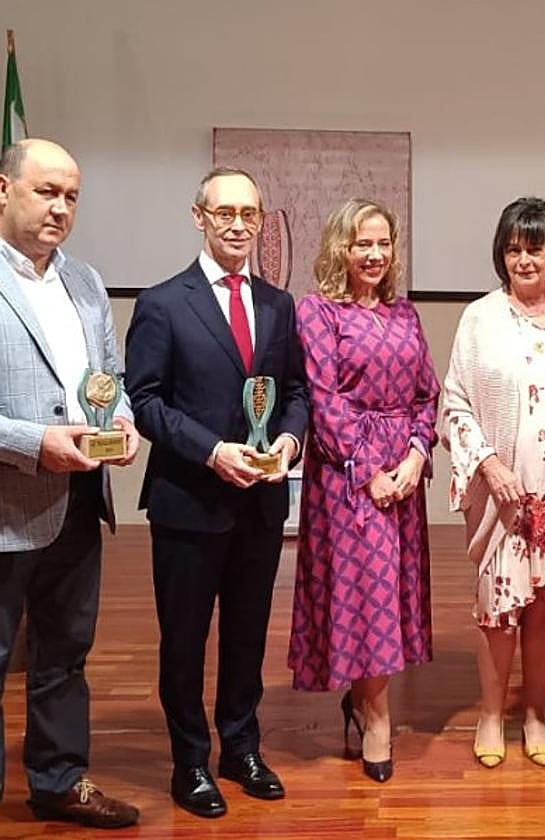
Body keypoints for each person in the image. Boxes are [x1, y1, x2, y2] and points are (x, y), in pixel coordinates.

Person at [125, 167, 308, 818]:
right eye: (224, 211)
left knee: (247, 636)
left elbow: (293, 394)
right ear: (198, 216)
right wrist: (210, 451)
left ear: (261, 222)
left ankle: (241, 747)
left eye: (250, 214)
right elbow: (144, 402)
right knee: (184, 641)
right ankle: (189, 762)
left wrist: (287, 445)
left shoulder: (280, 306)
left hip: (259, 502)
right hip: (188, 501)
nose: (238, 224)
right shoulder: (162, 303)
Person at [0, 139, 140, 829]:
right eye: (45, 191)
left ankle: (58, 781)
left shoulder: (85, 281)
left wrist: (123, 421)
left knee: (64, 655)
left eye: (71, 196)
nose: (60, 207)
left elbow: (107, 378)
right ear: (3, 190)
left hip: (80, 504)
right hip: (5, 508)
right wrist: (33, 442)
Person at [440, 197, 545, 768]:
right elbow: (453, 403)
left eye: (534, 247)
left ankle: (534, 712)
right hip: (502, 489)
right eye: (513, 248)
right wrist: (487, 462)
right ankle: (491, 714)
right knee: (498, 606)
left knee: (544, 606)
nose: (523, 259)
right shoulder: (480, 317)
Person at [288, 199, 439, 783]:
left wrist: (417, 454)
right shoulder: (319, 311)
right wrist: (369, 468)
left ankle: (360, 700)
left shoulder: (406, 315)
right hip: (349, 477)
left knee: (390, 596)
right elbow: (323, 400)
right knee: (365, 596)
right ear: (340, 249)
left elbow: (427, 394)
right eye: (361, 244)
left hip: (403, 473)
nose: (374, 255)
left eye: (383, 243)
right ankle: (376, 715)